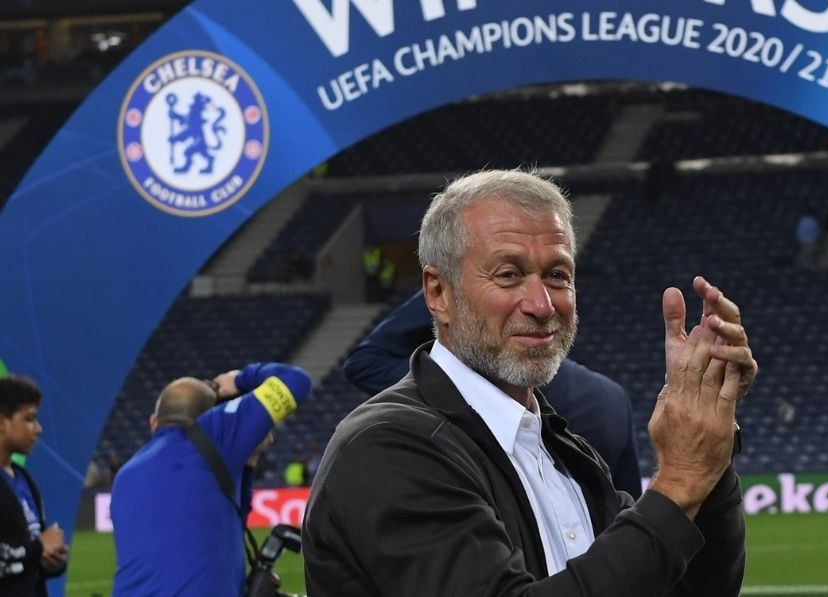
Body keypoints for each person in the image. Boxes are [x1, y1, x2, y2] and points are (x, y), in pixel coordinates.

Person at [303, 169, 757, 596]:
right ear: (438, 293)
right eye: (509, 275)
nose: (542, 304)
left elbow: (694, 588)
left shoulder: (561, 450)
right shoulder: (387, 447)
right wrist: (677, 482)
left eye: (557, 275)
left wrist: (709, 437)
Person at [342, 289, 644, 497]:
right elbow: (631, 529)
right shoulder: (611, 398)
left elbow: (364, 363)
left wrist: (450, 290)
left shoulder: (478, 395)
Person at [111, 362, 312, 597]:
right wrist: (236, 380)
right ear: (213, 413)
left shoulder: (126, 474)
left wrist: (248, 463)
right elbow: (296, 381)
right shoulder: (211, 431)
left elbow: (222, 523)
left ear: (154, 422)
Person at [0, 375, 68, 597]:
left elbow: (27, 561)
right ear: (2, 423)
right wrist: (39, 547)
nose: (38, 429)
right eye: (29, 419)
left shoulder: (24, 480)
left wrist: (51, 561)